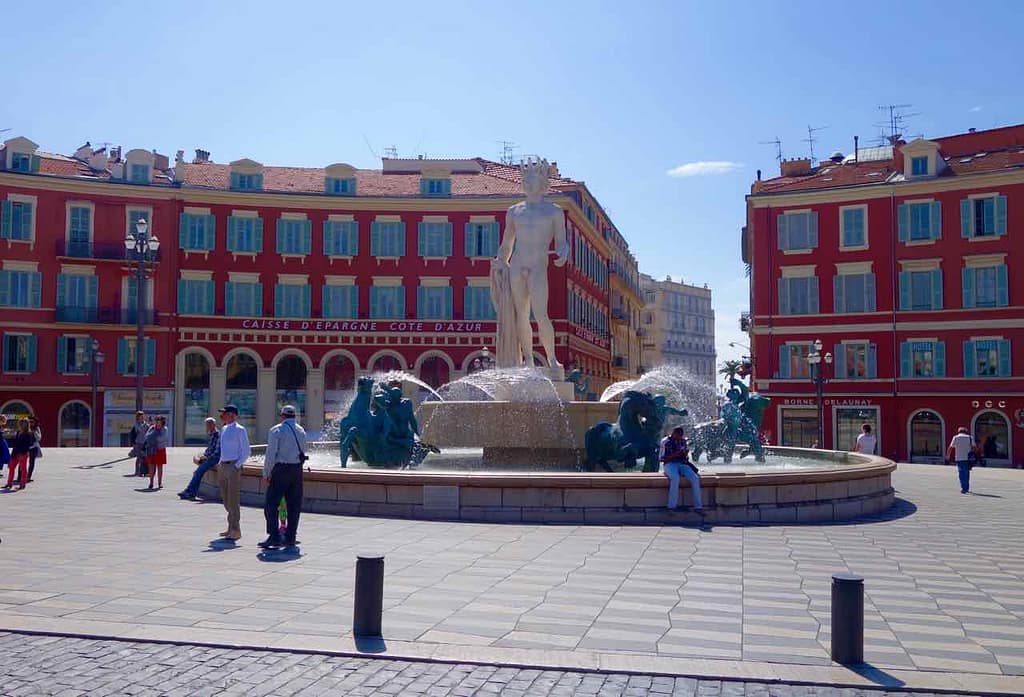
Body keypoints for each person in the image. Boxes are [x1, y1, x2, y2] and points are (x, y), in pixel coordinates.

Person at [259, 405, 307, 549]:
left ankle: (274, 536)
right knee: (294, 505)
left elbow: (270, 454)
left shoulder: (276, 430)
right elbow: (304, 451)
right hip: (297, 470)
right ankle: (291, 537)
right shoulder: (301, 430)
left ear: (282, 416)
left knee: (271, 504)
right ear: (294, 416)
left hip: (281, 469)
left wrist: (266, 473)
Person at [216, 405, 251, 541]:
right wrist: (220, 462)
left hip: (233, 466)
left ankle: (235, 530)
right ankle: (230, 527)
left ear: (232, 415)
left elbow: (246, 451)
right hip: (223, 465)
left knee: (233, 499)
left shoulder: (240, 430)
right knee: (225, 498)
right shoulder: (224, 429)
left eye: (224, 414)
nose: (222, 416)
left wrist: (236, 466)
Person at [659, 426, 705, 516]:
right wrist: (676, 454)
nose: (680, 438)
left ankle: (698, 507)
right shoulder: (665, 441)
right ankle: (671, 507)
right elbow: (661, 459)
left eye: (681, 436)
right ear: (674, 434)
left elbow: (685, 457)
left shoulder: (683, 441)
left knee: (695, 478)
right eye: (678, 436)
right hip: (669, 464)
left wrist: (685, 454)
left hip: (682, 464)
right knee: (675, 478)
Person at [179, 418, 221, 500]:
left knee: (198, 472)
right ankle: (191, 493)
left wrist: (207, 457)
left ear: (213, 424)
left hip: (214, 459)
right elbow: (209, 449)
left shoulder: (217, 435)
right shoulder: (211, 434)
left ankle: (189, 491)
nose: (207, 426)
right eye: (207, 425)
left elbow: (217, 451)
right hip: (209, 458)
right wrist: (204, 455)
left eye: (209, 424)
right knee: (197, 472)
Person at [4, 419, 34, 491]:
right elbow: (15, 442)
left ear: (25, 424)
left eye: (21, 423)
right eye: (20, 423)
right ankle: (9, 483)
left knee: (23, 469)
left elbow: (30, 443)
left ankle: (22, 484)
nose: (19, 425)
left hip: (23, 453)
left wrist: (23, 450)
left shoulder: (29, 433)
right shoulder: (18, 432)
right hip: (15, 452)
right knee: (11, 467)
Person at [142, 415, 168, 490]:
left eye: (159, 421)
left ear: (162, 422)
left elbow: (162, 438)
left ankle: (160, 483)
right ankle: (151, 482)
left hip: (160, 449)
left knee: (160, 467)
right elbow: (146, 436)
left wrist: (152, 437)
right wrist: (153, 436)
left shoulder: (164, 429)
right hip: (151, 449)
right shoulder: (152, 428)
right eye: (156, 420)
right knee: (151, 466)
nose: (157, 422)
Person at [947, 426, 974, 494]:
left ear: (959, 431)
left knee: (961, 473)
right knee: (967, 473)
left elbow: (950, 447)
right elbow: (974, 447)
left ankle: (963, 488)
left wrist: (948, 455)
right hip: (968, 458)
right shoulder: (970, 437)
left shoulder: (956, 437)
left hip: (959, 457)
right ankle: (966, 487)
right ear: (966, 432)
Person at [129, 411, 149, 477]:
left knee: (145, 457)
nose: (142, 417)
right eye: (141, 416)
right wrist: (134, 444)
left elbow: (148, 431)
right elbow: (137, 431)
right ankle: (137, 471)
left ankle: (143, 471)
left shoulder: (146, 424)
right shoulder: (136, 425)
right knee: (139, 457)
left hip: (145, 443)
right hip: (138, 443)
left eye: (143, 416)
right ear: (138, 417)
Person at [26, 416, 42, 482]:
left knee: (31, 462)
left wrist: (34, 432)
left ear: (35, 422)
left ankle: (28, 477)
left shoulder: (36, 428)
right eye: (29, 422)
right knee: (22, 462)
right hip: (25, 447)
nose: (30, 423)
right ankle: (20, 477)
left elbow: (39, 438)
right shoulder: (24, 428)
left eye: (32, 422)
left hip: (34, 447)